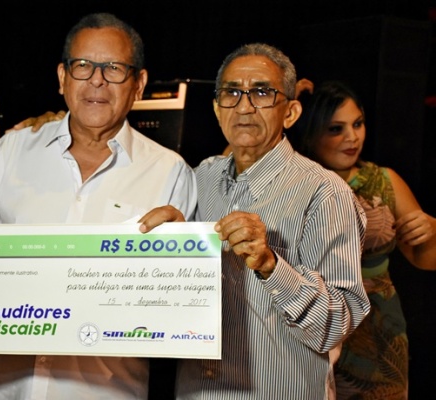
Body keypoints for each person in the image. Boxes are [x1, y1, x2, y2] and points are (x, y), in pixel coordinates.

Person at [0, 12, 196, 400]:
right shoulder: (12, 151)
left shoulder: (170, 173)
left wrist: (182, 264)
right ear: (62, 77)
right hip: (11, 390)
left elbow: (178, 311)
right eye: (83, 65)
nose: (97, 80)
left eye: (114, 68)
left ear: (138, 84)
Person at [139, 42, 371, 399]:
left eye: (262, 92)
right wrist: (170, 244)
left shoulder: (325, 193)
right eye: (232, 92)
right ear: (217, 109)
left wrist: (271, 265)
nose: (244, 106)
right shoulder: (200, 178)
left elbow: (336, 325)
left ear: (290, 112)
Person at [293, 80, 436, 399]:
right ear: (310, 132)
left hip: (376, 332)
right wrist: (282, 104)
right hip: (309, 323)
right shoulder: (292, 182)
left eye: (357, 124)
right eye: (336, 129)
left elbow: (425, 258)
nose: (352, 137)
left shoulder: (383, 180)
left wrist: (431, 229)